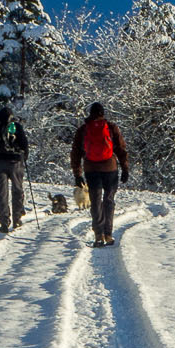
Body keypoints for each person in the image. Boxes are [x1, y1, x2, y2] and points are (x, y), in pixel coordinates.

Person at [70, 101, 129, 246]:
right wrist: (125, 168)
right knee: (108, 200)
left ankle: (98, 235)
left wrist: (77, 174)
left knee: (95, 201)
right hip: (110, 168)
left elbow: (75, 153)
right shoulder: (111, 127)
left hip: (91, 169)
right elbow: (121, 149)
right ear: (103, 113)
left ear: (90, 114)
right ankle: (108, 234)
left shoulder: (83, 129)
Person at [0, 99, 30, 232]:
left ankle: (4, 222)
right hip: (15, 162)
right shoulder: (15, 127)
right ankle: (17, 219)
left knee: (1, 192)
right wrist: (23, 157)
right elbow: (24, 145)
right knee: (17, 190)